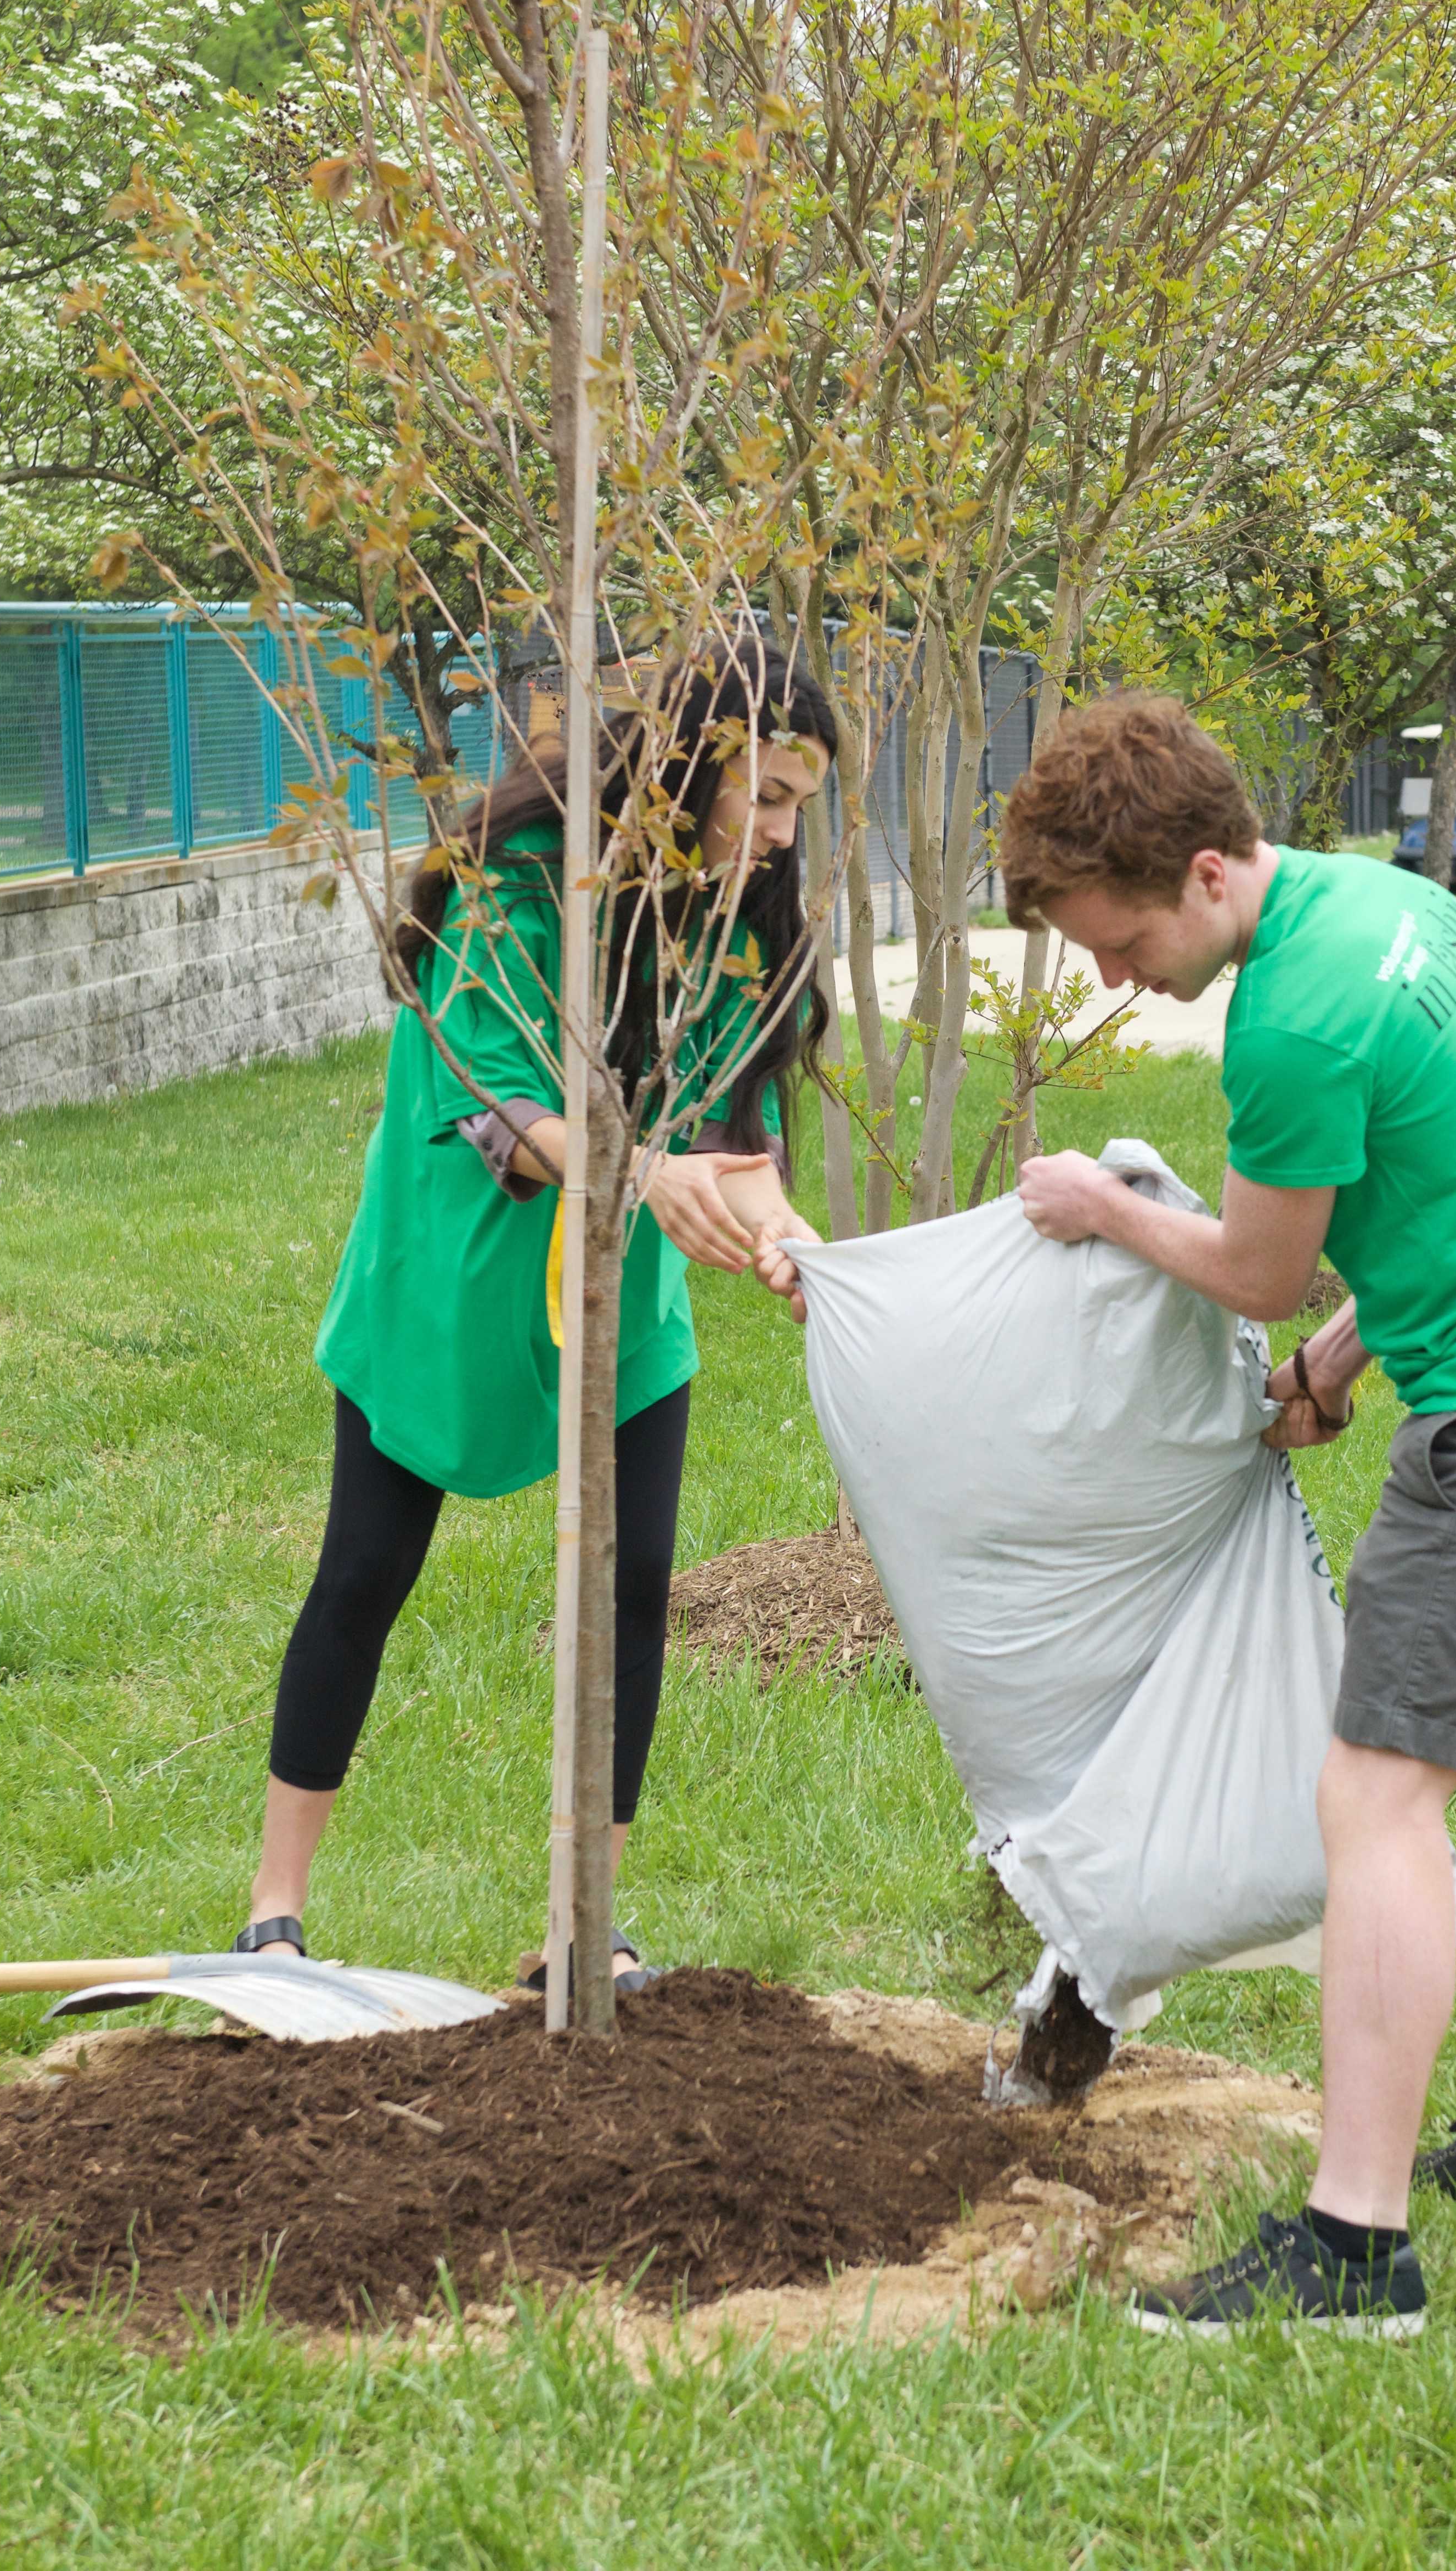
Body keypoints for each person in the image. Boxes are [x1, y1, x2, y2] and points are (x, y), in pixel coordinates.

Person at [1002, 691, 1456, 2339]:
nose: (1114, 979)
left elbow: (1256, 1264)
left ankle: (1355, 2247)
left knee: (1375, 1798)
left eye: (1122, 942)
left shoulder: (1289, 1021)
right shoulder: (1390, 906)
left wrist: (1102, 1209)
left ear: (1210, 871)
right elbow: (1450, 1176)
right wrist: (1347, 1345)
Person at [236, 639, 833, 1988]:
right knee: (364, 1572)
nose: (788, 833)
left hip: (625, 1285)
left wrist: (800, 1252)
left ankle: (582, 1916)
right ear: (691, 770)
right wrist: (649, 1165)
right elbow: (500, 1119)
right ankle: (275, 1906)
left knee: (633, 1585)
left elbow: (741, 1152)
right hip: (455, 1269)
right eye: (771, 796)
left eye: (804, 803)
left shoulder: (741, 913)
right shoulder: (521, 881)